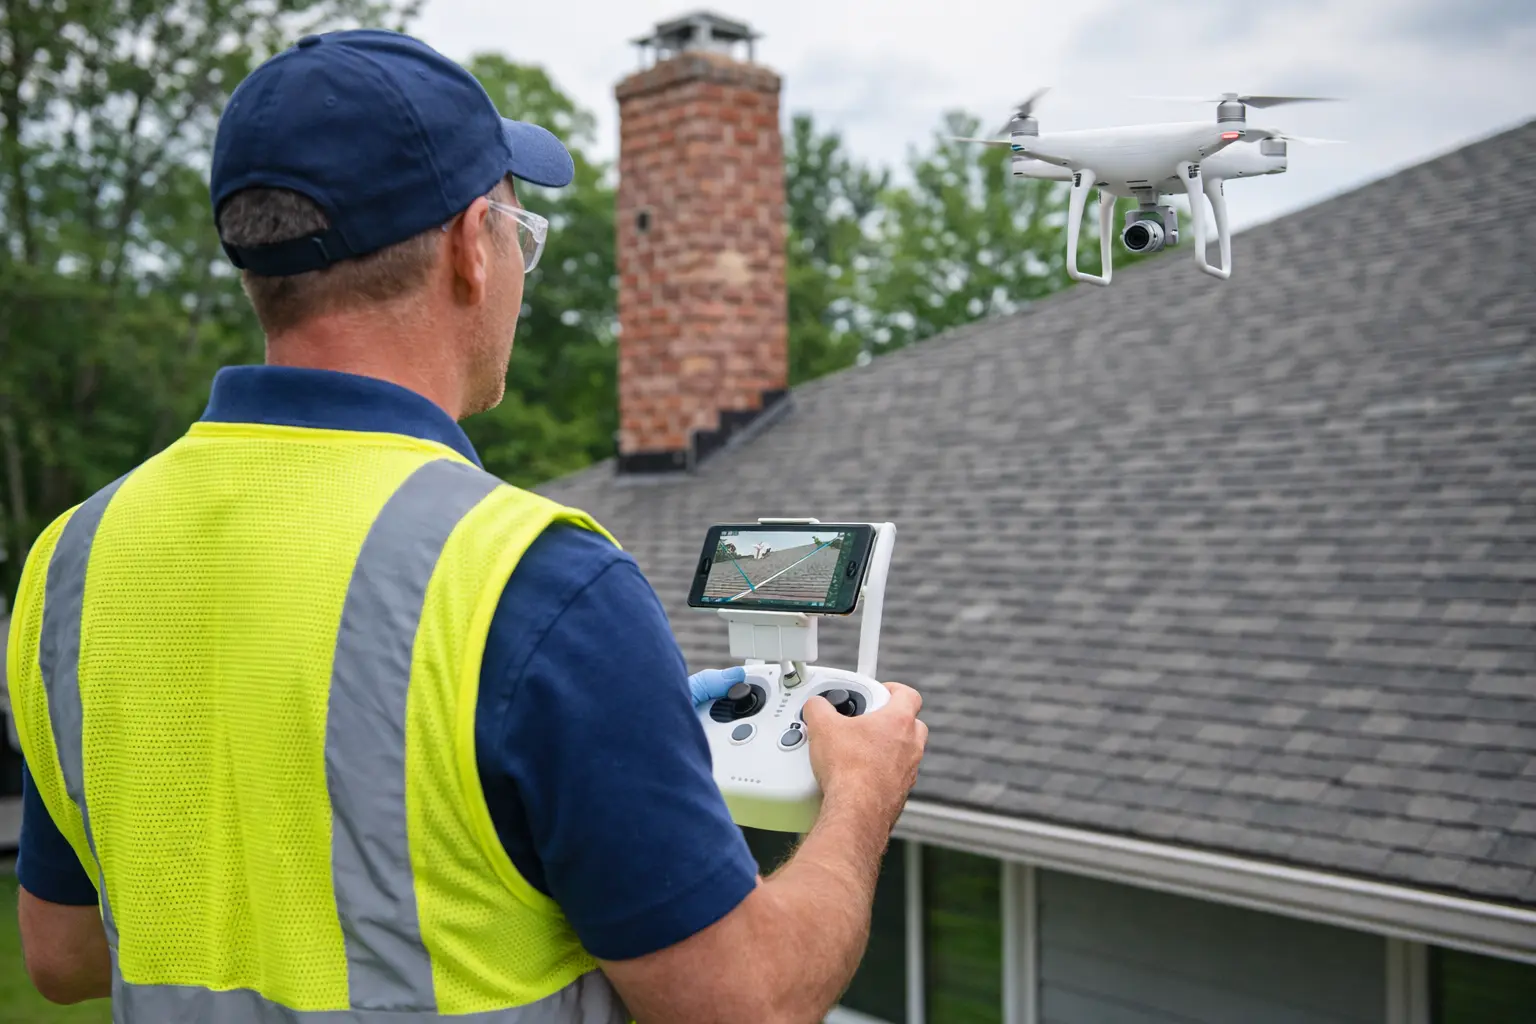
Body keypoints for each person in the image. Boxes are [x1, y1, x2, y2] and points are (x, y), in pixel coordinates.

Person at [6, 27, 928, 1024]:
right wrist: (860, 800)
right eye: (518, 231)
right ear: (467, 248)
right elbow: (745, 1002)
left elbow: (61, 949)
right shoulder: (536, 585)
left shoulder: (73, 561)